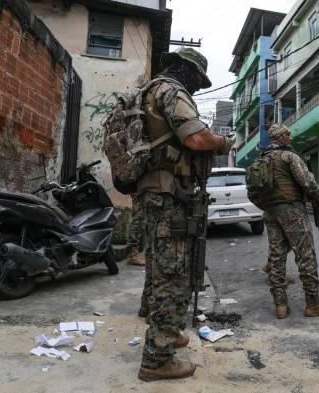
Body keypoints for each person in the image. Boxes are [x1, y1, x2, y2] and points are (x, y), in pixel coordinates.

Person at [136, 47, 235, 382]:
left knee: (163, 268)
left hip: (157, 194)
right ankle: (157, 359)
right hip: (169, 197)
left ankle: (169, 332)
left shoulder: (150, 90)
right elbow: (195, 138)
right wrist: (222, 142)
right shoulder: (171, 90)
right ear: (188, 71)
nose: (199, 86)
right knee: (173, 275)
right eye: (198, 79)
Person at [249, 124, 319, 320]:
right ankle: (313, 304)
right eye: (288, 134)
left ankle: (280, 306)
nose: (291, 137)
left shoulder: (261, 160)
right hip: (292, 211)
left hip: (270, 213)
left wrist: (267, 207)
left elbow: (252, 193)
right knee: (306, 255)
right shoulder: (289, 157)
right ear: (280, 137)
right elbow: (307, 182)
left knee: (276, 257)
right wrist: (318, 197)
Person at [127, 195, 146, 267]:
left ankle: (134, 253)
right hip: (140, 189)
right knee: (138, 220)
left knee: (140, 219)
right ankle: (133, 254)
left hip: (143, 189)